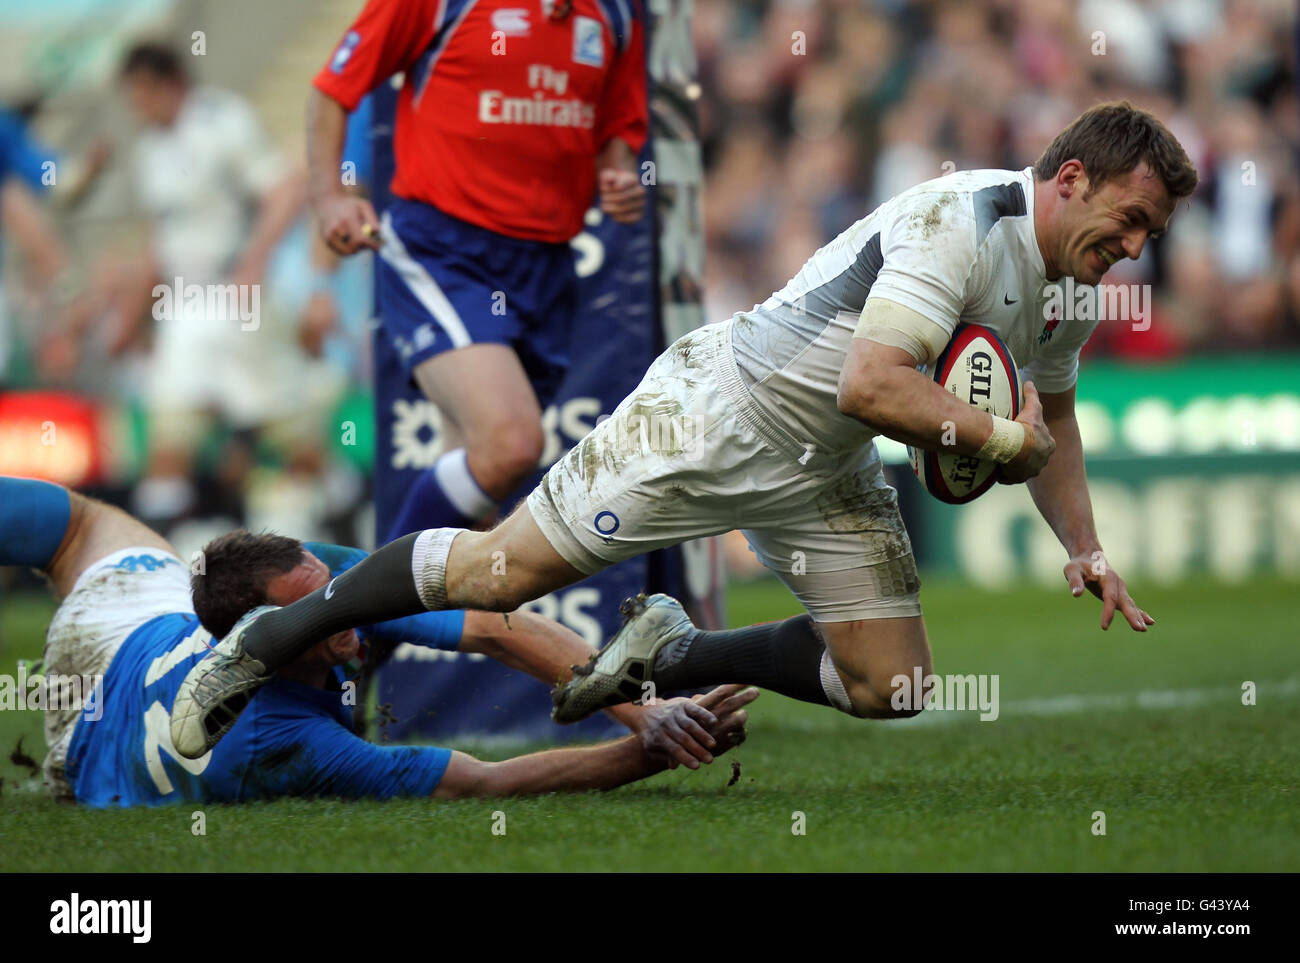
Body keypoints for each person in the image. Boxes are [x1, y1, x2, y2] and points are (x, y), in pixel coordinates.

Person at [172, 101, 1197, 759]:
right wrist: (1001, 442)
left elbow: (1048, 413)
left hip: (823, 469)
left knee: (897, 687)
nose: (1137, 245)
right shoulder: (959, 223)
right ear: (1070, 179)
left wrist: (1085, 547)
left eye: (1152, 234)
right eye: (1133, 217)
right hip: (719, 412)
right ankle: (271, 638)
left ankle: (673, 651)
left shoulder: (1065, 285)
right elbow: (874, 386)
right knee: (496, 577)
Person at [0, 475, 750, 806]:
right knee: (69, 527)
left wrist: (641, 709)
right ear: (255, 646)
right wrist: (645, 752)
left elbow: (493, 625)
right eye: (316, 618)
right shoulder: (277, 742)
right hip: (88, 731)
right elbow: (483, 784)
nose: (340, 612)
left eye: (329, 587)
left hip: (144, 617)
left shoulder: (321, 592)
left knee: (74, 520)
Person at [307, 0, 649, 541]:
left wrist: (621, 178)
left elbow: (618, 135)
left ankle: (419, 620)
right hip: (443, 251)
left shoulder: (617, 15)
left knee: (477, 484)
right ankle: (376, 609)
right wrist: (330, 198)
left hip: (546, 264)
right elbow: (333, 89)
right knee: (509, 443)